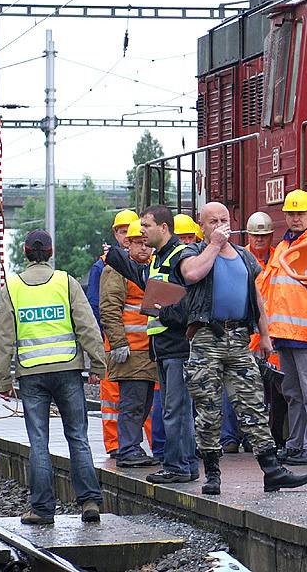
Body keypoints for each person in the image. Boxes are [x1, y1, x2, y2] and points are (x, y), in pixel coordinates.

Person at [171, 201, 307, 495]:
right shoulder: (193, 252)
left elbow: (256, 299)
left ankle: (271, 469)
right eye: (213, 221)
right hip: (207, 338)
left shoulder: (245, 257)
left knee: (253, 404)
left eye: (224, 219)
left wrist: (264, 335)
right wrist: (214, 245)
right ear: (202, 225)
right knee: (208, 408)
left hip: (238, 338)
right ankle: (212, 474)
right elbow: (192, 275)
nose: (220, 224)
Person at [0, 230, 105, 525]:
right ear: (50, 253)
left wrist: (2, 381)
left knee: (39, 441)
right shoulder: (65, 283)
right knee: (78, 437)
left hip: (32, 375)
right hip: (68, 370)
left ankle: (42, 509)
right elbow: (87, 326)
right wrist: (98, 364)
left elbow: (3, 338)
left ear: (27, 253)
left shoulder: (12, 287)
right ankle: (89, 501)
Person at [106, 205, 198, 484]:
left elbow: (184, 302)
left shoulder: (179, 257)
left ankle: (178, 466)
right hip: (161, 347)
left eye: (145, 226)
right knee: (172, 409)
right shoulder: (159, 259)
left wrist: (163, 313)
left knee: (175, 409)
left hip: (175, 346)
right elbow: (144, 281)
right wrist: (116, 258)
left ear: (163, 228)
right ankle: (183, 464)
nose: (141, 230)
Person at [261, 190, 307, 466]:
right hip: (285, 334)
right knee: (293, 393)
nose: (295, 218)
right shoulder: (285, 245)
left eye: (300, 213)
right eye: (291, 213)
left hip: (305, 333)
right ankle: (296, 444)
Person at [100, 219, 158, 468]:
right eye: (138, 243)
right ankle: (128, 449)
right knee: (132, 403)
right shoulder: (117, 269)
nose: (143, 249)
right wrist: (119, 343)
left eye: (147, 244)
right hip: (131, 350)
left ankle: (131, 447)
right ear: (129, 245)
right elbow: (109, 308)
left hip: (148, 350)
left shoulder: (151, 267)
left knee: (143, 403)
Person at [222, 211, 280, 453]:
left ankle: (251, 437)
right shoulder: (239, 258)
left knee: (262, 393)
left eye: (264, 236)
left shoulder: (279, 259)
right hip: (245, 335)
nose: (259, 240)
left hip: (270, 333)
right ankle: (229, 438)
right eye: (255, 236)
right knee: (233, 388)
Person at [86, 209, 138, 458]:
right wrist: (97, 348)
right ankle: (115, 444)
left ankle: (142, 443)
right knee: (112, 398)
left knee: (139, 398)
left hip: (140, 344)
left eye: (131, 230)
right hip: (112, 342)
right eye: (122, 231)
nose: (126, 235)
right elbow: (96, 306)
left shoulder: (144, 262)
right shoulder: (102, 266)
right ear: (115, 234)